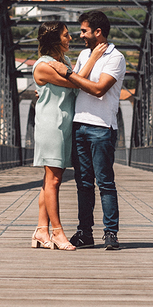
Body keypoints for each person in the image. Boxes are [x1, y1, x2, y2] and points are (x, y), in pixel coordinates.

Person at [31, 21, 106, 251]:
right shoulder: (43, 65)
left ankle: (41, 230)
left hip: (64, 126)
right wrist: (93, 59)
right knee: (53, 180)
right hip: (51, 127)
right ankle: (57, 233)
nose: (70, 38)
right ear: (55, 40)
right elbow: (76, 83)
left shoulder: (63, 62)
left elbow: (68, 85)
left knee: (49, 181)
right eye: (66, 35)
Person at [61, 10, 126, 251]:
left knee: (105, 182)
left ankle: (111, 233)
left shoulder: (115, 58)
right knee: (83, 183)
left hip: (102, 128)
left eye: (84, 31)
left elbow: (98, 89)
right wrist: (74, 79)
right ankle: (85, 233)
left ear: (98, 32)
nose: (80, 35)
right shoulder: (84, 54)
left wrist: (72, 76)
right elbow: (76, 84)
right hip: (79, 125)